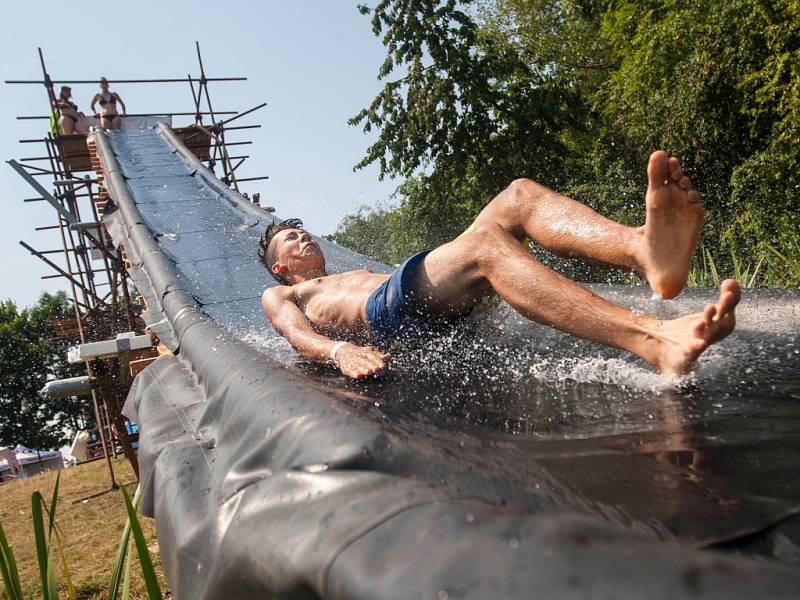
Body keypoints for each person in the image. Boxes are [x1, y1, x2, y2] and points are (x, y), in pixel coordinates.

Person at [260, 151, 740, 380]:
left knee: (518, 195)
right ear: (279, 267)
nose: (302, 236)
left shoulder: (345, 271)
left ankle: (643, 252)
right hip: (387, 315)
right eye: (289, 238)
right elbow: (296, 335)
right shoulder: (282, 295)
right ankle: (653, 339)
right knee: (486, 245)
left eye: (302, 230)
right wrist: (340, 351)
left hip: (412, 295)